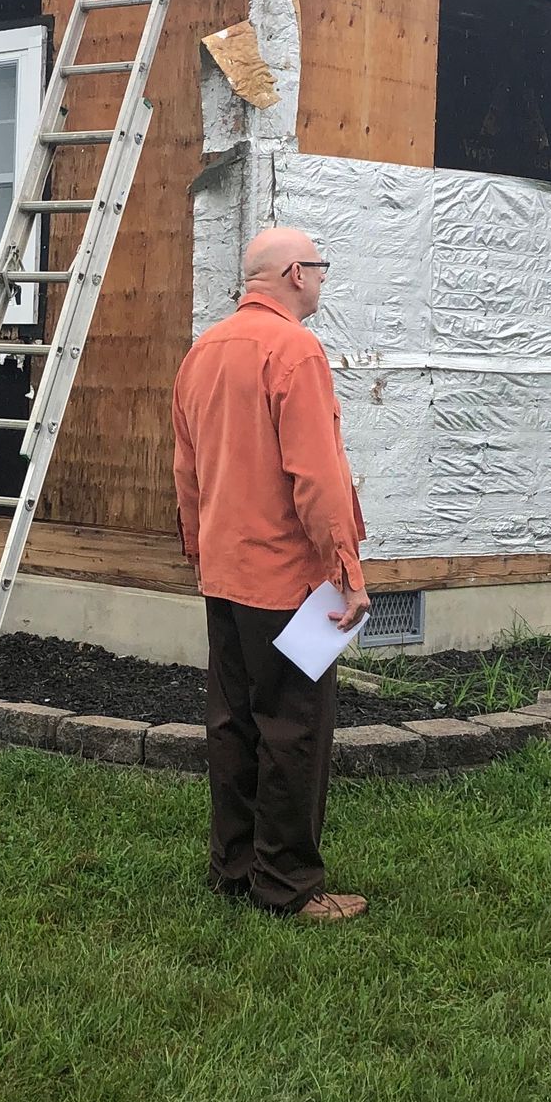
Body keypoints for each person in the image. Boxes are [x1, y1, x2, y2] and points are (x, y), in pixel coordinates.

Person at [171, 226, 370, 922]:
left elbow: (186, 469)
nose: (322, 278)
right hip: (289, 580)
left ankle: (234, 869)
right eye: (319, 266)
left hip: (224, 573)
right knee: (294, 726)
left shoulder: (204, 351)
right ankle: (287, 888)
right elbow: (317, 476)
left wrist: (199, 549)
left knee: (233, 724)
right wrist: (348, 571)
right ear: (292, 273)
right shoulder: (296, 350)